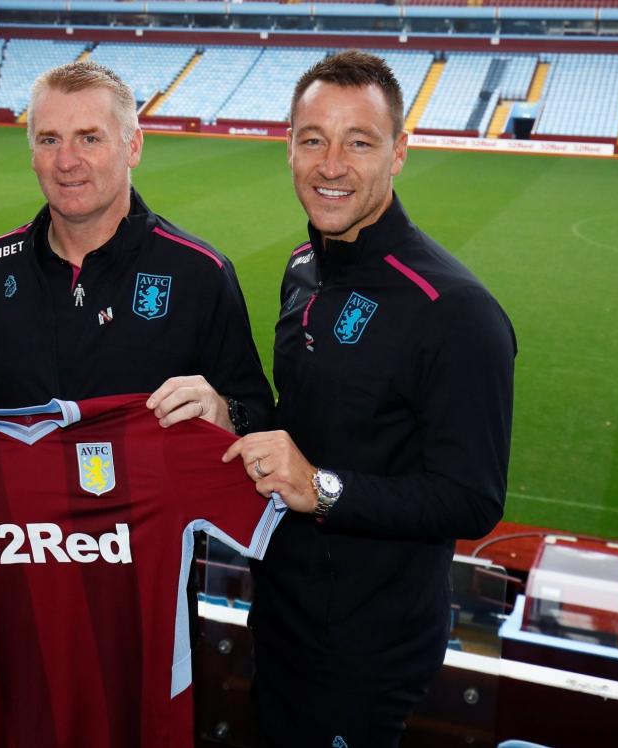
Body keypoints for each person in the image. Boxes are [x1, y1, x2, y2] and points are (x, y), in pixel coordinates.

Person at [223, 50, 517, 747]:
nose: (331, 164)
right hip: (281, 621)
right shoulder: (302, 271)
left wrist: (321, 489)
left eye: (359, 142)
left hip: (365, 651)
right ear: (288, 147)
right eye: (312, 139)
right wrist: (228, 414)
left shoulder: (455, 309)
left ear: (399, 153)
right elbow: (304, 427)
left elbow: (471, 498)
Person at [0, 60, 272, 437]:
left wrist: (223, 411)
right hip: (24, 507)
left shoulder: (200, 273)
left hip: (151, 510)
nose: (66, 161)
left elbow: (258, 415)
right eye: (49, 140)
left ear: (132, 146)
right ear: (32, 153)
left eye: (89, 138)